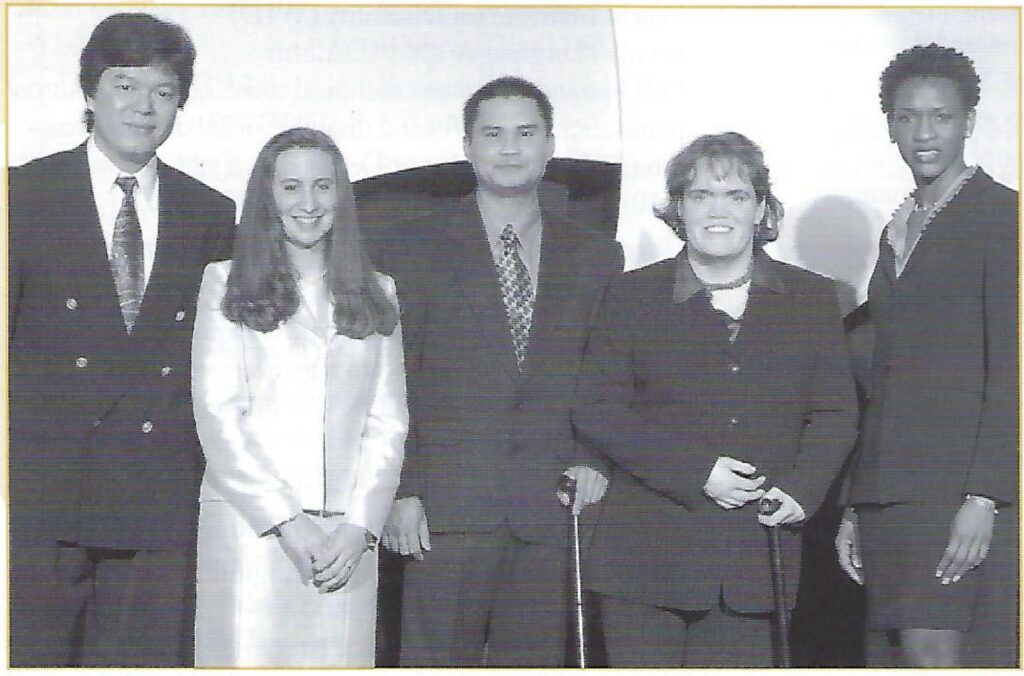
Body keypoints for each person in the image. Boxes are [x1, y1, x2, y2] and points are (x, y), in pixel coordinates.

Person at [572, 132, 858, 667]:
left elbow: (835, 411)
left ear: (761, 209)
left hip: (755, 559)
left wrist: (800, 488)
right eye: (701, 196)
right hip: (643, 562)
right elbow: (597, 409)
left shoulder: (811, 298)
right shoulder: (631, 295)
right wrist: (696, 470)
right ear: (678, 208)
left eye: (736, 195)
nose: (718, 211)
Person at [7, 13, 235, 667]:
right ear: (90, 93)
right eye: (125, 85)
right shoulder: (23, 196)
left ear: (180, 104)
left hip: (157, 504)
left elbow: (218, 368)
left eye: (163, 92)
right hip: (45, 504)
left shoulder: (211, 213)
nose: (143, 107)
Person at [378, 76, 623, 666]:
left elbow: (608, 373)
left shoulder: (595, 254)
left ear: (549, 143)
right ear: (467, 146)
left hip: (551, 509)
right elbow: (388, 380)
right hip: (443, 510)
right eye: (493, 134)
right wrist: (401, 490)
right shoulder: (408, 248)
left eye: (525, 133)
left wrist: (593, 458)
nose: (509, 148)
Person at [190, 127, 407, 667]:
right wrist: (287, 521)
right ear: (267, 196)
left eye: (322, 187)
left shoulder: (380, 291)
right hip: (252, 530)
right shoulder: (223, 283)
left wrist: (361, 527)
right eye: (290, 188)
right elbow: (219, 416)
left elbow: (388, 423)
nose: (308, 204)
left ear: (342, 196)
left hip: (346, 544)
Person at [835, 44, 1018, 668]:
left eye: (940, 116)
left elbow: (1013, 367)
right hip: (890, 496)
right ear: (890, 125)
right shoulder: (898, 228)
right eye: (908, 117)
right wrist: (858, 505)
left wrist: (986, 496)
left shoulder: (1003, 217)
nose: (924, 132)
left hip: (957, 495)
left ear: (969, 120)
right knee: (890, 660)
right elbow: (883, 381)